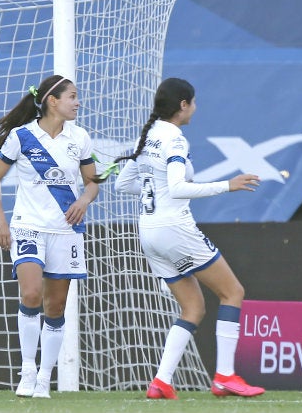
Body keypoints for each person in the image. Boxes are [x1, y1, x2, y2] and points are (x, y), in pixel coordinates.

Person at [108, 77, 264, 399]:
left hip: (148, 232)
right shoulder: (175, 140)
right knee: (233, 291)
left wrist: (157, 188)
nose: (196, 107)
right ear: (183, 105)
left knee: (193, 308)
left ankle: (161, 382)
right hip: (174, 228)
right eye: (193, 102)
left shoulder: (148, 135)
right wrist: (227, 185)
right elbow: (178, 188)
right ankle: (224, 376)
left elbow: (122, 184)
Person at [0, 75, 99, 399]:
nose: (77, 103)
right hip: (27, 226)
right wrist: (0, 221)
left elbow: (93, 182)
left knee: (56, 304)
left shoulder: (80, 138)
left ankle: (44, 378)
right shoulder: (21, 137)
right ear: (53, 101)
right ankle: (27, 370)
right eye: (73, 97)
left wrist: (83, 200)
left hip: (65, 231)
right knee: (31, 293)